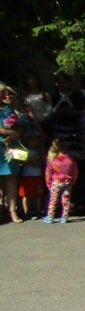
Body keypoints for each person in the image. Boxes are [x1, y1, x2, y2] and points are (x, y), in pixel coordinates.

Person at [1, 84, 26, 222]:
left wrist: (14, 133)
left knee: (12, 178)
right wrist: (7, 132)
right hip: (1, 144)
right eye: (2, 93)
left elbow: (17, 124)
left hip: (10, 146)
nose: (5, 96)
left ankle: (12, 210)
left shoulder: (8, 108)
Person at [43, 139, 79, 224]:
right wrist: (74, 179)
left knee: (53, 199)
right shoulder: (70, 159)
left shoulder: (52, 159)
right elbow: (75, 171)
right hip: (68, 182)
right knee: (66, 199)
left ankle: (50, 216)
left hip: (56, 182)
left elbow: (48, 172)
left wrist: (48, 182)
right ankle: (65, 217)